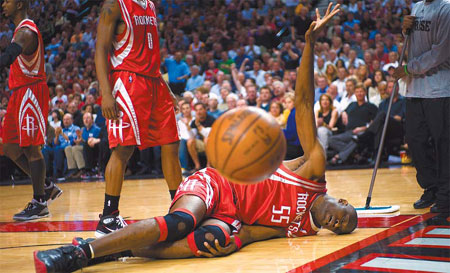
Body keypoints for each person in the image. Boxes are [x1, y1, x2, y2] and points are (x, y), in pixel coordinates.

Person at [34, 5, 357, 272]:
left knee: (209, 243)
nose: (334, 223)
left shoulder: (302, 227)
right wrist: (309, 46)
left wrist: (236, 241)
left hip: (231, 216)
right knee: (181, 222)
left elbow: (253, 233)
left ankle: (119, 250)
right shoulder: (313, 170)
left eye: (337, 229)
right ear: (341, 202)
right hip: (217, 183)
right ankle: (79, 253)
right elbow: (302, 102)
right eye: (342, 218)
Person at [94, 0, 182, 237]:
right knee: (123, 149)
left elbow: (150, 52)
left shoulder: (150, 5)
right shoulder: (114, 5)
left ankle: (180, 207)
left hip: (154, 81)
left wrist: (165, 85)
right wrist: (106, 93)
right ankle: (108, 218)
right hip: (128, 81)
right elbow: (101, 49)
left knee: (171, 143)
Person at [1, 0, 62, 221]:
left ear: (19, 4)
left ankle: (40, 202)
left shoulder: (26, 31)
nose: (3, 4)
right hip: (18, 92)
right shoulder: (19, 30)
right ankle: (46, 185)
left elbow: (6, 58)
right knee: (8, 146)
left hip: (30, 91)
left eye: (7, 1)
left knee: (31, 148)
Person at [393, 0, 450, 213]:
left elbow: (440, 52)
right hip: (415, 88)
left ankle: (446, 194)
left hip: (439, 88)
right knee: (415, 141)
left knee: (443, 144)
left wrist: (409, 69)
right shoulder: (417, 8)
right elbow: (412, 46)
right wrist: (404, 30)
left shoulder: (446, 9)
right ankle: (431, 187)